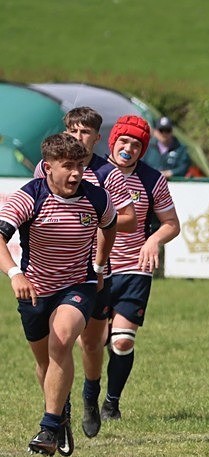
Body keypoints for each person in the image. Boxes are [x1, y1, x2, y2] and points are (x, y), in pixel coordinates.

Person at [0, 133, 117, 456]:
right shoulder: (29, 197)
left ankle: (48, 428)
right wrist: (15, 273)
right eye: (68, 166)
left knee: (62, 339)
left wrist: (100, 265)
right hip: (35, 290)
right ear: (48, 168)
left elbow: (110, 226)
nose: (76, 173)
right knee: (44, 363)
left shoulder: (96, 198)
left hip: (78, 285)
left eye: (80, 165)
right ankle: (60, 416)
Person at [33, 107, 138, 439]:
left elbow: (130, 218)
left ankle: (90, 395)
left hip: (97, 271)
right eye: (74, 131)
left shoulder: (108, 174)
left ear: (96, 137)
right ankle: (57, 410)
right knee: (57, 342)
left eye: (86, 133)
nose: (79, 138)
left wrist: (90, 219)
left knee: (92, 344)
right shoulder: (45, 168)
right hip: (54, 273)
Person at [99, 115, 181, 424]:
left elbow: (172, 225)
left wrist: (153, 241)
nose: (128, 148)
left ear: (143, 149)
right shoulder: (93, 174)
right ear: (113, 141)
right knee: (92, 341)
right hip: (94, 269)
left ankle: (112, 403)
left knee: (122, 341)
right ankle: (89, 394)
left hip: (134, 266)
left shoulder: (151, 179)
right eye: (124, 141)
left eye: (136, 144)